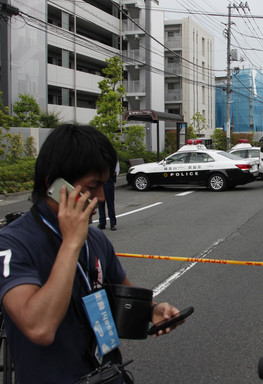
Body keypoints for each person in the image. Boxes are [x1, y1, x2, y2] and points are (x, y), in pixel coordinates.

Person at [0, 125, 181, 384]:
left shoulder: (95, 238)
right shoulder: (13, 243)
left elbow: (122, 294)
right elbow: (38, 327)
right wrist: (71, 243)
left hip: (107, 375)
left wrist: (152, 310)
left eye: (104, 185)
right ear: (55, 185)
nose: (100, 197)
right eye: (93, 186)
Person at [98, 161, 119, 231]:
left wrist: (114, 175)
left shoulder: (111, 154)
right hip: (99, 180)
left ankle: (112, 223)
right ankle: (102, 222)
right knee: (100, 202)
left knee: (110, 202)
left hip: (108, 179)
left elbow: (116, 167)